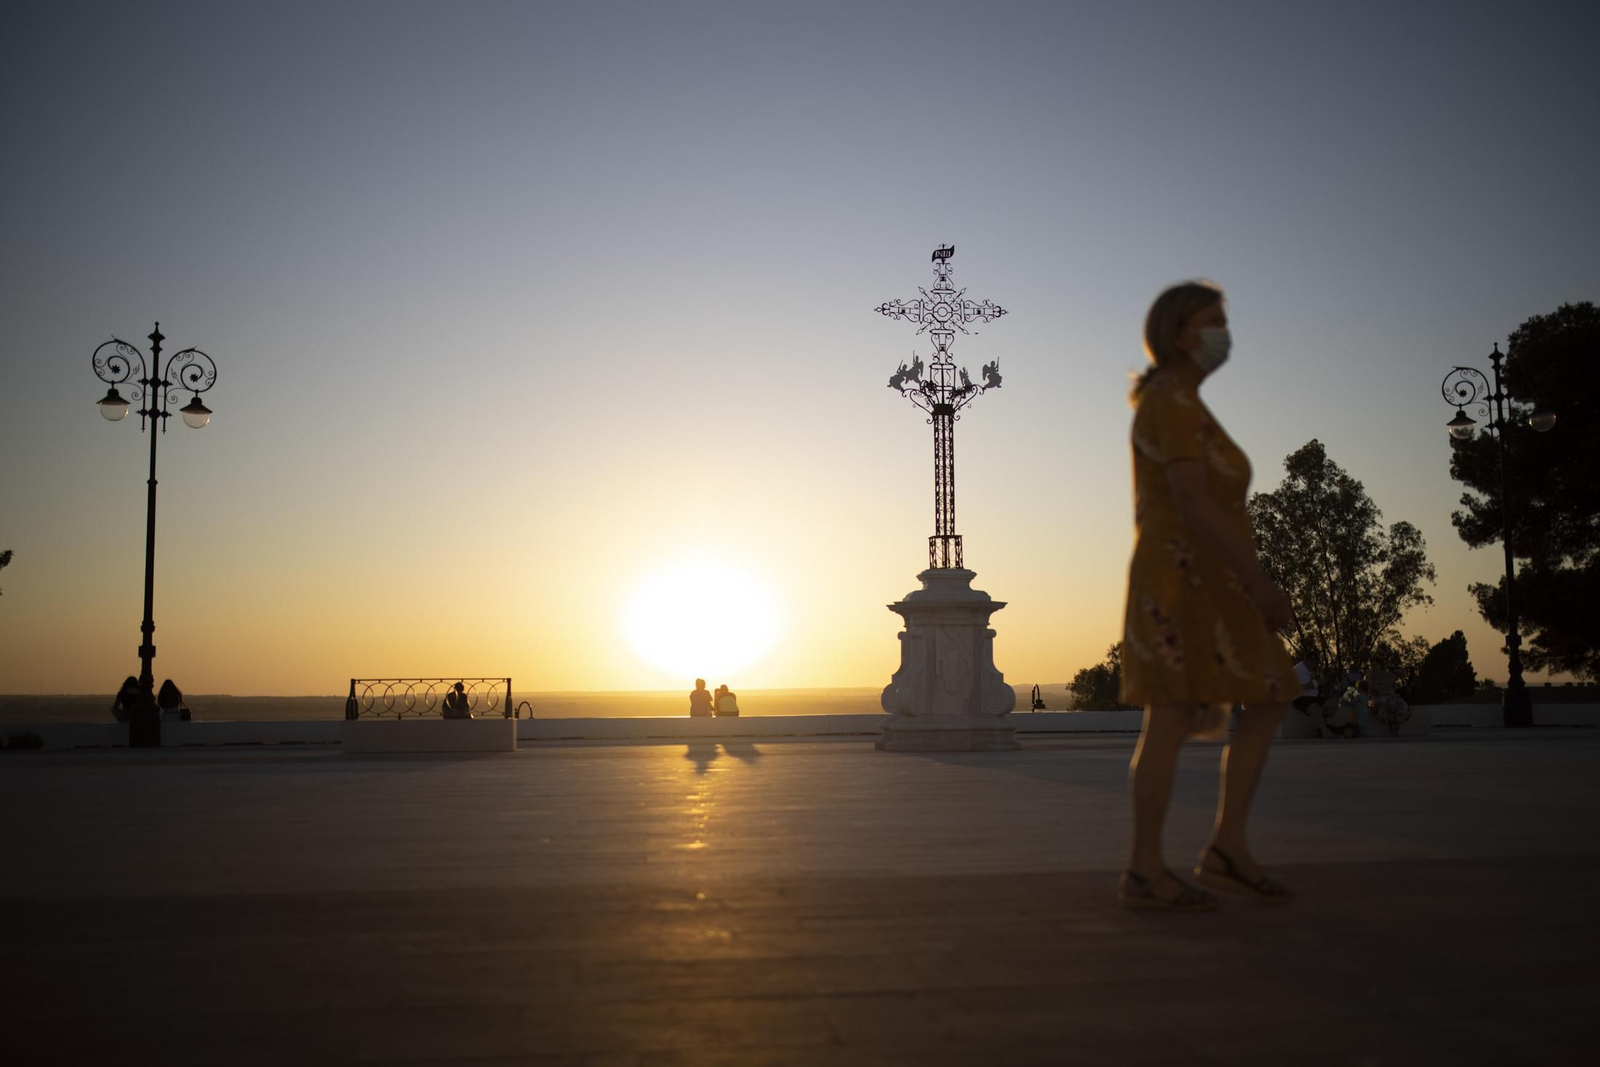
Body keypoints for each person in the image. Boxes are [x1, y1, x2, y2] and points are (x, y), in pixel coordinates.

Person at [1117, 281, 1297, 911]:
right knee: (1170, 715)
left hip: (1213, 579)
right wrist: (1258, 580)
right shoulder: (1169, 401)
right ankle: (1146, 867)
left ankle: (1227, 847)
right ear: (1180, 331)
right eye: (1214, 320)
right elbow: (1192, 502)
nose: (1225, 331)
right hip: (1181, 579)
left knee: (1269, 694)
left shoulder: (1189, 402)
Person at [1293, 656, 1335, 739]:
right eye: (1315, 662)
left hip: (1313, 697)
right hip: (1300, 697)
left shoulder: (1314, 670)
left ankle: (1320, 727)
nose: (1316, 665)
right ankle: (1324, 731)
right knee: (1315, 707)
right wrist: (1315, 684)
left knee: (1332, 703)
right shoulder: (1298, 670)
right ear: (1309, 660)